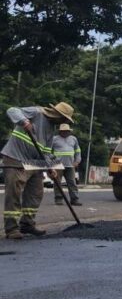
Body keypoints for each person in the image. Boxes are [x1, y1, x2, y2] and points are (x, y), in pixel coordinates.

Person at [2, 102, 75, 239]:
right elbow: (12, 109)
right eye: (64, 118)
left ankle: (27, 224)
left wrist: (50, 167)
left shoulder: (51, 129)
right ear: (57, 115)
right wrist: (24, 121)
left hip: (34, 163)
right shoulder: (37, 112)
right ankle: (11, 229)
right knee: (14, 194)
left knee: (36, 193)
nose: (64, 122)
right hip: (15, 158)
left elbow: (46, 151)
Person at [52, 123, 82, 206]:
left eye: (66, 131)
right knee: (57, 182)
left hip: (70, 165)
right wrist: (52, 159)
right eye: (63, 131)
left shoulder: (73, 139)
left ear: (69, 131)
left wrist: (77, 161)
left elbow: (78, 151)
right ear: (60, 131)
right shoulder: (54, 139)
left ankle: (74, 199)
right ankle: (58, 199)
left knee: (72, 182)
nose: (65, 132)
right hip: (58, 165)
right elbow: (48, 151)